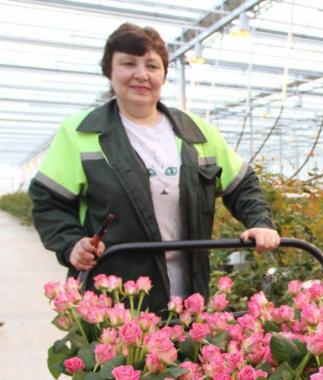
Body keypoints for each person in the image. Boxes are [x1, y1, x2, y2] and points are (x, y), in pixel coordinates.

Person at [29, 23, 280, 311]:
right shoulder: (81, 134)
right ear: (109, 71)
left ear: (163, 74)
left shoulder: (197, 132)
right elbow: (48, 201)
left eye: (152, 66)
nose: (141, 74)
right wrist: (71, 243)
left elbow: (242, 184)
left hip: (188, 296)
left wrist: (259, 223)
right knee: (121, 341)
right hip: (114, 299)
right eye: (128, 64)